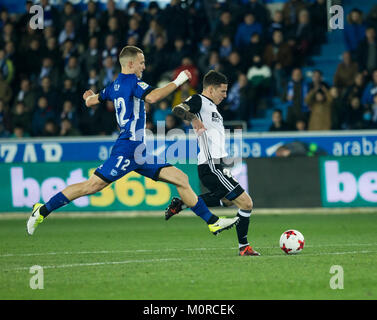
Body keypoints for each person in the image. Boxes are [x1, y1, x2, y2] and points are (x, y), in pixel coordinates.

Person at [27, 46, 239, 236]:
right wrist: (178, 81)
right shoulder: (132, 83)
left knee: (181, 178)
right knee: (92, 185)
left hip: (139, 152)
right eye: (141, 62)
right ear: (130, 64)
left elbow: (93, 101)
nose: (144, 66)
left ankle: (212, 222)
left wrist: (87, 98)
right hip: (127, 149)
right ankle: (42, 210)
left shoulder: (115, 85)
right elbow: (153, 97)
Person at [165, 70, 260, 257]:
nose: (225, 96)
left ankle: (183, 204)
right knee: (246, 203)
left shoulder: (212, 107)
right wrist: (193, 119)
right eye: (222, 91)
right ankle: (244, 247)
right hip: (211, 165)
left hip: (216, 165)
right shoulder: (199, 100)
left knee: (227, 201)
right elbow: (178, 108)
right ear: (210, 88)